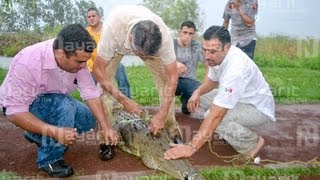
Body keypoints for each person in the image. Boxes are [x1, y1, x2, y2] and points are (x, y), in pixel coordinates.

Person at [0, 24, 119, 178]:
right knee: (65, 106)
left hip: (57, 100)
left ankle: (38, 134)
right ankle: (49, 158)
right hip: (27, 106)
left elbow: (90, 93)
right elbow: (14, 112)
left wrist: (105, 127)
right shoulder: (27, 62)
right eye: (80, 62)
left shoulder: (77, 58)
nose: (84, 66)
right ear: (61, 54)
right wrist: (55, 131)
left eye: (86, 61)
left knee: (88, 119)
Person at [164, 26, 275, 162]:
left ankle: (251, 143)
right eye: (204, 50)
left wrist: (190, 148)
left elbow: (216, 115)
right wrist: (197, 93)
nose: (206, 56)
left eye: (212, 52)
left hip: (256, 108)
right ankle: (232, 129)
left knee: (212, 116)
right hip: (238, 97)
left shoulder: (236, 69)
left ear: (226, 48)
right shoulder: (217, 57)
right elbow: (211, 81)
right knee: (199, 94)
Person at [92, 5, 182, 142]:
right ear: (130, 37)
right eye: (141, 54)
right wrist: (124, 100)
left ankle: (171, 129)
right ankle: (106, 136)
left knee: (164, 81)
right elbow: (97, 70)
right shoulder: (113, 30)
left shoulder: (164, 35)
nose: (143, 58)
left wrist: (162, 114)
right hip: (117, 45)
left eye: (147, 55)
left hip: (145, 44)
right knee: (104, 84)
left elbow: (172, 76)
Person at [86, 7, 132, 98]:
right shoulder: (85, 32)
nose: (91, 18)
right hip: (93, 66)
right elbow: (84, 53)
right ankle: (93, 103)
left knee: (120, 68)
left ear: (99, 17)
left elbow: (118, 45)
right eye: (89, 17)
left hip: (109, 62)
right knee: (88, 81)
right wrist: (92, 67)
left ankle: (127, 98)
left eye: (93, 16)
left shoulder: (108, 29)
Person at [174, 20, 207, 114]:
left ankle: (186, 102)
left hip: (190, 82)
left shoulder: (197, 46)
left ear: (194, 34)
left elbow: (208, 66)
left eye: (190, 33)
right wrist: (175, 64)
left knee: (187, 111)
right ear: (179, 32)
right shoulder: (172, 45)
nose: (187, 36)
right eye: (185, 32)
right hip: (173, 80)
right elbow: (160, 62)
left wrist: (205, 85)